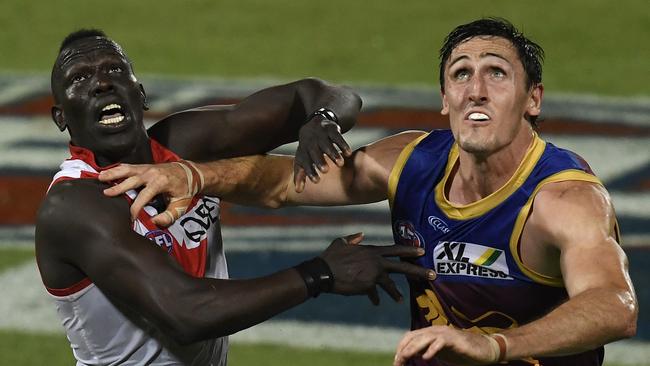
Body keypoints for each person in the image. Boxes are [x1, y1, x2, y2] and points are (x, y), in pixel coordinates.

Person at [101, 18, 638, 365]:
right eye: (461, 74)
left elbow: (615, 305)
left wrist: (494, 345)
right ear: (444, 100)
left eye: (497, 74)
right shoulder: (411, 162)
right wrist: (191, 176)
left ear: (532, 99)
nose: (477, 88)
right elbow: (284, 183)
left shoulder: (563, 198)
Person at [35, 29, 435, 366]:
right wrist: (320, 274)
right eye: (80, 78)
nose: (102, 82)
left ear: (139, 94)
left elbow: (321, 93)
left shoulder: (185, 143)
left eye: (113, 70)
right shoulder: (74, 204)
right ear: (61, 118)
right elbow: (185, 311)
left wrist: (321, 120)